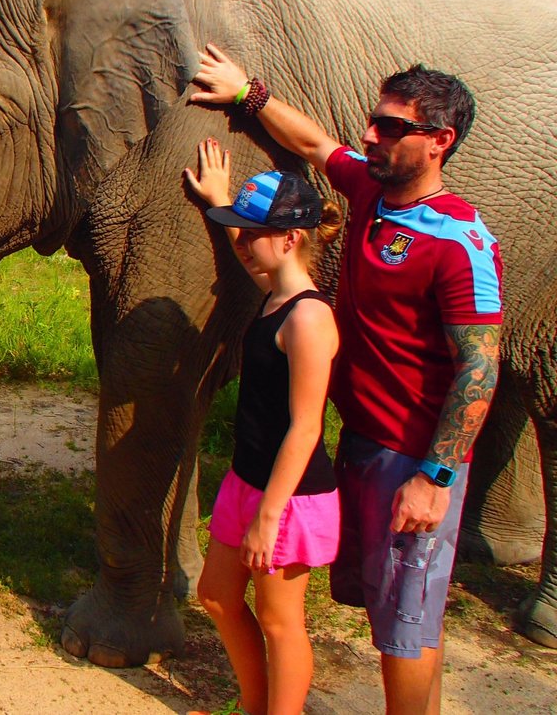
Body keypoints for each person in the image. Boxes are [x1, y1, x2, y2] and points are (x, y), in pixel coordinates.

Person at [192, 45, 502, 715]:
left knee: (403, 627)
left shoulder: (460, 242)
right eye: (375, 121)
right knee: (395, 614)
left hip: (411, 456)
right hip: (359, 438)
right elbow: (314, 142)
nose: (371, 136)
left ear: (440, 142)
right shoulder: (371, 188)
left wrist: (436, 476)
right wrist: (247, 93)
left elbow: (481, 366)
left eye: (392, 128)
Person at [185, 141, 343, 715]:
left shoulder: (309, 318)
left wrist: (268, 519)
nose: (245, 244)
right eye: (242, 233)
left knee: (280, 621)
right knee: (217, 597)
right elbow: (255, 258)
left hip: (290, 498)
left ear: (291, 238)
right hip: (248, 479)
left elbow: (306, 427)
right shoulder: (277, 293)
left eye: (254, 234)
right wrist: (222, 202)